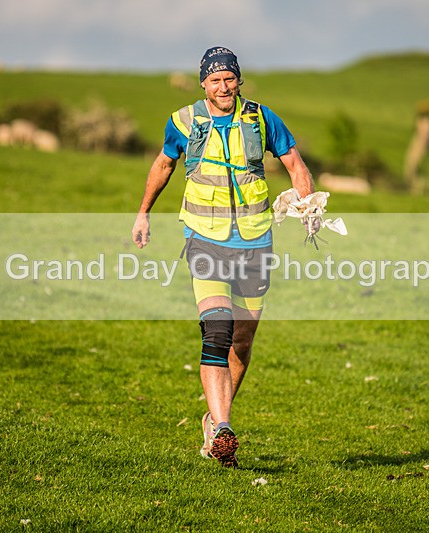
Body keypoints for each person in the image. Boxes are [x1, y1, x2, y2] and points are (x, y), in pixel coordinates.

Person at [131, 46, 314, 468]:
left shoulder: (262, 118)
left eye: (229, 78)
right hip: (205, 240)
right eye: (215, 80)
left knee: (242, 342)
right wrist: (143, 213)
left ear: (239, 79)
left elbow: (294, 162)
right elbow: (163, 165)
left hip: (254, 243)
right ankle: (222, 429)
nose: (223, 86)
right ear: (203, 84)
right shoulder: (183, 121)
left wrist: (308, 206)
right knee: (216, 331)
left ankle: (212, 419)